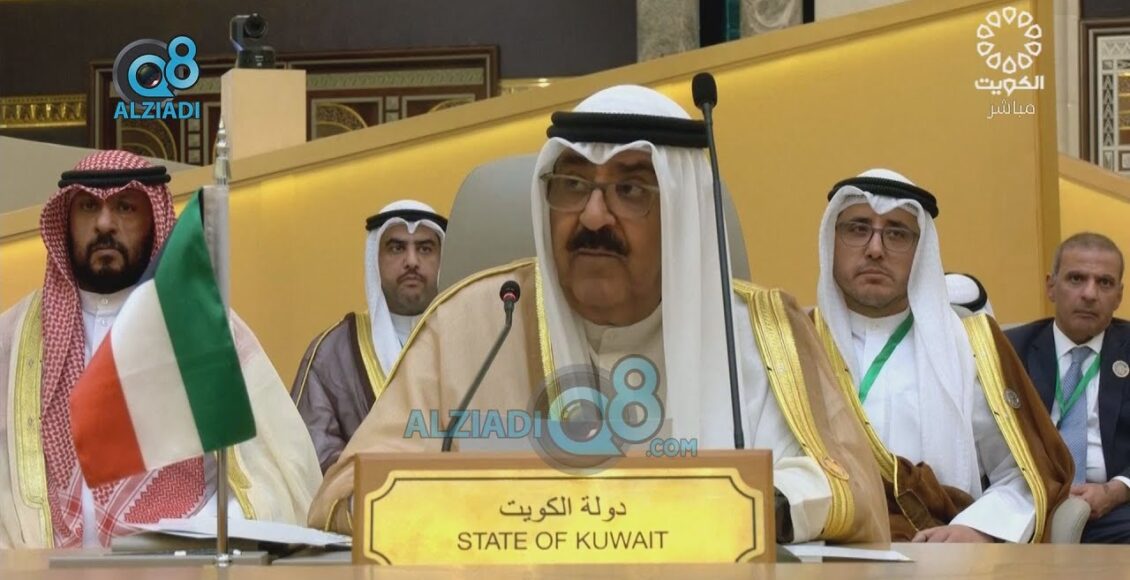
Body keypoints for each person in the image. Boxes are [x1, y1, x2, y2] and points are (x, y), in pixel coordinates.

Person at [306, 85, 889, 544]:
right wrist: (482, 510)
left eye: (630, 191)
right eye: (572, 185)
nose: (591, 217)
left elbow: (844, 485)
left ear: (681, 212)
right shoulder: (473, 325)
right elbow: (346, 494)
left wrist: (750, 507)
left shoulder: (760, 335)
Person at [0, 150, 321, 549]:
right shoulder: (16, 337)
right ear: (65, 221)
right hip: (40, 567)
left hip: (177, 563)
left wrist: (199, 535)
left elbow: (272, 469)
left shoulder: (206, 327)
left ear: (154, 219)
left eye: (125, 207)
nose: (104, 223)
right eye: (88, 207)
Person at [811, 168, 1071, 542]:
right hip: (817, 547)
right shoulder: (795, 343)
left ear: (921, 252)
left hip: (935, 551)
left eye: (897, 234)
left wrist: (977, 529)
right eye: (857, 229)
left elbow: (1025, 473)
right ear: (831, 241)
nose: (875, 249)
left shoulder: (971, 346)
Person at [291, 200, 446, 472]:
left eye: (425, 248)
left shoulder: (472, 344)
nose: (412, 261)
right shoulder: (331, 353)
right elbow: (311, 456)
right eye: (397, 248)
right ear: (375, 259)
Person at [1007, 233, 1130, 543]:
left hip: (1116, 509)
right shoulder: (1011, 350)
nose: (1089, 294)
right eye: (1076, 279)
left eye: (1104, 283)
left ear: (1119, 296)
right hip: (1026, 503)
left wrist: (1117, 490)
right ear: (1051, 286)